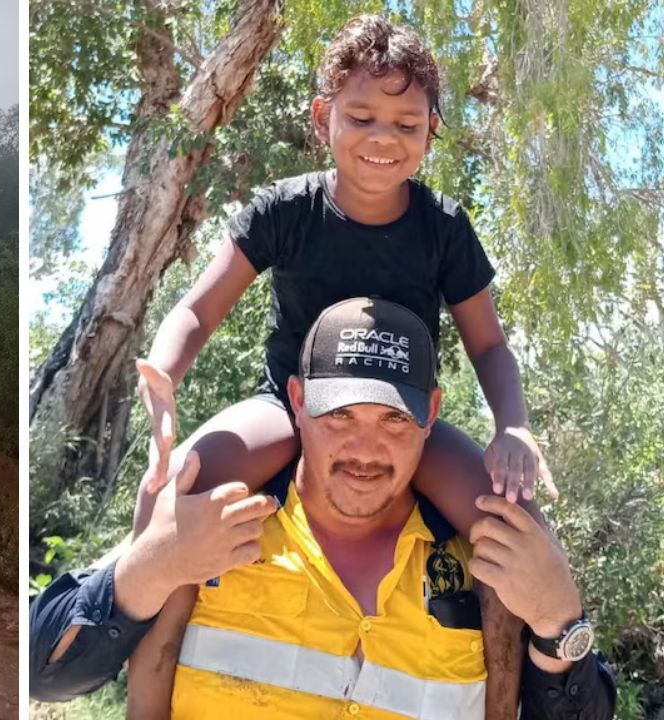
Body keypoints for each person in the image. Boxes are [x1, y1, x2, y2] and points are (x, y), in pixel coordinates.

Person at [131, 14, 555, 712]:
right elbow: (196, 311)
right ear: (324, 115)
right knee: (177, 487)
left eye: (406, 123)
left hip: (396, 422)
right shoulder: (287, 209)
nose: (383, 139)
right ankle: (127, 662)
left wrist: (514, 428)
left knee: (511, 521)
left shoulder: (443, 227)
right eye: (361, 116)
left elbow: (489, 345)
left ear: (431, 131)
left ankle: (511, 699)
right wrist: (164, 373)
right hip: (286, 407)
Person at [29, 298, 615, 720]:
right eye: (339, 415)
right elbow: (41, 674)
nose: (365, 449)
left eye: (393, 419)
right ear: (298, 401)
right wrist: (151, 569)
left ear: (431, 414)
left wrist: (558, 621)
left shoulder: (487, 559)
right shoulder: (209, 526)